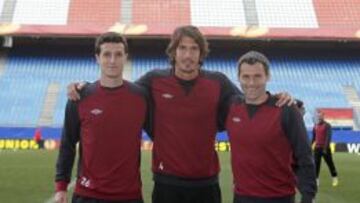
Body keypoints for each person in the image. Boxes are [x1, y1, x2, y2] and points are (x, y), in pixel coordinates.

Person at [67, 26, 293, 203]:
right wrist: (85, 88)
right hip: (167, 185)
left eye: (194, 48)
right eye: (182, 48)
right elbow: (118, 94)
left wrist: (284, 100)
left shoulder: (218, 83)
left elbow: (250, 103)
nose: (188, 55)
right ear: (173, 52)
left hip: (206, 184)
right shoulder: (153, 80)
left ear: (201, 53)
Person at [54, 32, 147, 203]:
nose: (112, 60)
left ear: (125, 57)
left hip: (129, 196)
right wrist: (61, 186)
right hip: (87, 195)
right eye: (106, 54)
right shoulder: (79, 97)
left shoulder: (141, 97)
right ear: (97, 57)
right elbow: (67, 144)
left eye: (118, 54)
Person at [225, 51, 317, 203]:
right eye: (246, 77)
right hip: (241, 197)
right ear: (238, 78)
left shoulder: (286, 109)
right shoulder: (231, 107)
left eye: (257, 76)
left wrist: (308, 196)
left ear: (267, 76)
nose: (251, 83)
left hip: (278, 198)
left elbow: (304, 155)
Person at [312, 110, 338, 187]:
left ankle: (334, 177)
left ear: (323, 116)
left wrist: (325, 148)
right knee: (316, 165)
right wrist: (309, 145)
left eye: (321, 115)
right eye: (318, 116)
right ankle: (316, 180)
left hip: (325, 148)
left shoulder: (327, 125)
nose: (319, 117)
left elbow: (328, 137)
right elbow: (313, 137)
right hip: (317, 148)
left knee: (330, 163)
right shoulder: (315, 126)